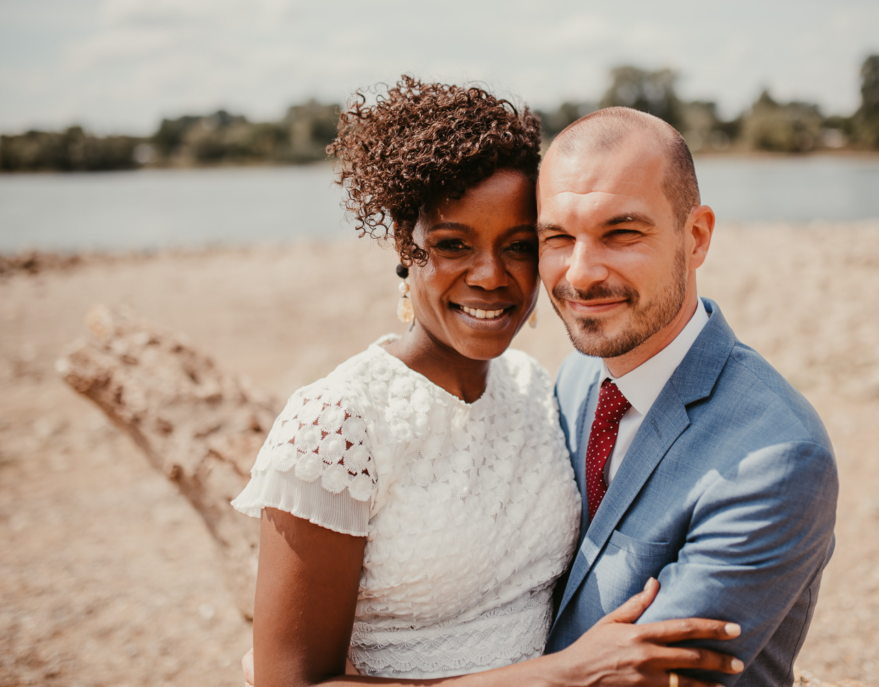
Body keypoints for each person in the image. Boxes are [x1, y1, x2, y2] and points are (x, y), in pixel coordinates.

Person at [233, 78, 742, 687]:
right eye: (454, 245)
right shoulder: (337, 423)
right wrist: (558, 677)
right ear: (405, 245)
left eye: (519, 246)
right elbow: (288, 682)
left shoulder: (532, 389)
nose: (490, 276)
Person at [535, 107, 839, 686]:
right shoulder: (577, 377)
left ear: (695, 237)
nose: (580, 273)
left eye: (621, 232)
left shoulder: (777, 456)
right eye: (557, 237)